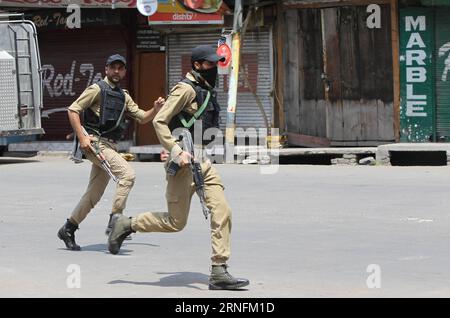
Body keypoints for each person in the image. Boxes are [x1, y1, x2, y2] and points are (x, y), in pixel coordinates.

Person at [107, 45, 249, 290]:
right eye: (210, 64)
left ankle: (218, 270)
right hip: (182, 163)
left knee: (222, 210)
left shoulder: (205, 88)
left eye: (216, 63)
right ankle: (127, 224)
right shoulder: (185, 89)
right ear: (196, 65)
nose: (214, 68)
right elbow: (160, 121)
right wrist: (176, 151)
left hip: (202, 161)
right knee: (176, 222)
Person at [57, 54, 165, 251]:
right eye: (113, 67)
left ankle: (68, 228)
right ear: (106, 69)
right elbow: (73, 110)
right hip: (96, 144)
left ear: (124, 71)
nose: (117, 71)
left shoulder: (124, 96)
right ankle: (115, 222)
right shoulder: (97, 89)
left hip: (110, 146)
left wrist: (155, 109)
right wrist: (82, 138)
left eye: (120, 68)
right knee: (127, 175)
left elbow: (141, 117)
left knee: (94, 194)